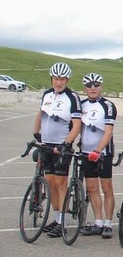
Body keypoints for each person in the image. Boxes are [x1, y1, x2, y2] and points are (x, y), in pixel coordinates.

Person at [34, 62, 82, 238]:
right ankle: (55, 218)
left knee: (61, 184)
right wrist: (35, 132)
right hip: (46, 145)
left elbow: (77, 125)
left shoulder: (72, 98)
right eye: (56, 79)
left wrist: (66, 143)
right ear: (51, 79)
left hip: (61, 147)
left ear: (67, 80)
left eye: (62, 79)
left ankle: (62, 222)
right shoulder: (46, 95)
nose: (58, 82)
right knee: (50, 183)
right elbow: (40, 113)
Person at [78, 73, 118, 239]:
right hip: (86, 152)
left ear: (101, 87)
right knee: (92, 188)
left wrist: (98, 150)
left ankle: (108, 223)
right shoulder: (81, 105)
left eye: (96, 85)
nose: (92, 88)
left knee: (106, 188)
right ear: (85, 88)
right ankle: (98, 222)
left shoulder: (108, 105)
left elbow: (108, 131)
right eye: (89, 85)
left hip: (103, 153)